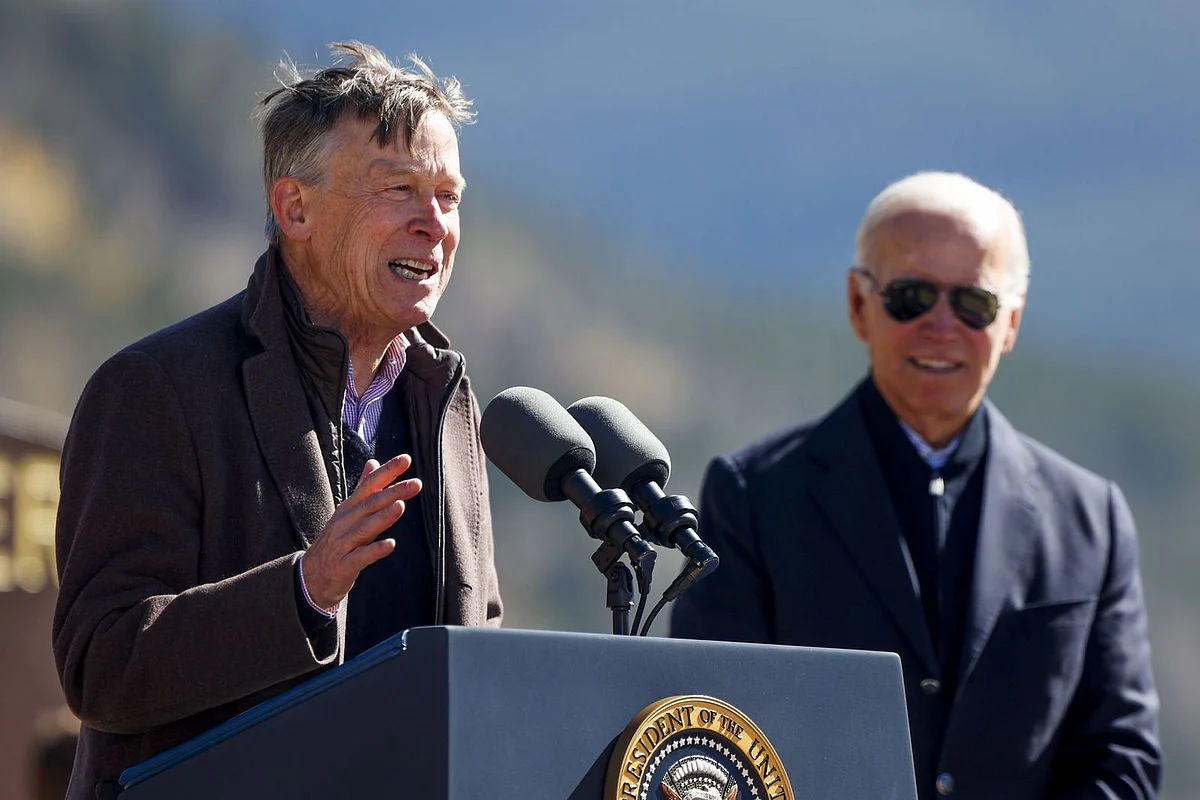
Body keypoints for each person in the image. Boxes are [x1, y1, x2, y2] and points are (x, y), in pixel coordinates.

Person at [52, 41, 501, 799]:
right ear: (295, 208)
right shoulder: (155, 388)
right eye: (398, 189)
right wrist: (303, 590)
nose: (434, 224)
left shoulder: (446, 400)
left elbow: (477, 639)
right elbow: (102, 666)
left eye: (449, 197)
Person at [671, 172, 1161, 799]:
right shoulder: (754, 499)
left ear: (1011, 322)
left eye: (974, 303)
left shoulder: (1092, 521)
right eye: (911, 297)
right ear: (859, 305)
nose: (941, 326)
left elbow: (1121, 759)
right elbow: (707, 736)